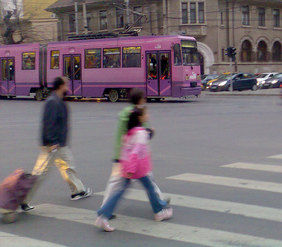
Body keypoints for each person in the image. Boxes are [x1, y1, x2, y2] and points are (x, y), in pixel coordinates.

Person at [21, 76, 92, 212]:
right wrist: (52, 142)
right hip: (53, 144)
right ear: (61, 86)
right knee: (41, 173)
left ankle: (78, 191)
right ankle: (23, 200)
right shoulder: (53, 102)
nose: (68, 87)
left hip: (60, 143)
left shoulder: (57, 100)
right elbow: (49, 123)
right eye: (66, 84)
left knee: (69, 166)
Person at [95, 106, 172, 232]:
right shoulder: (140, 133)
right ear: (140, 117)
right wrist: (131, 168)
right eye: (146, 113)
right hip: (137, 168)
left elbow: (126, 149)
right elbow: (135, 152)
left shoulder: (131, 131)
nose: (148, 115)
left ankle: (103, 215)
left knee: (120, 191)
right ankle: (159, 212)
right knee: (150, 188)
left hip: (128, 166)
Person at [101, 88, 168, 219]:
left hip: (123, 153)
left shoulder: (126, 112)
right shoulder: (136, 113)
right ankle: (105, 210)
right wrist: (150, 131)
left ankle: (160, 202)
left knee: (124, 182)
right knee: (120, 183)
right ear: (139, 99)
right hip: (130, 157)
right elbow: (139, 134)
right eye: (143, 97)